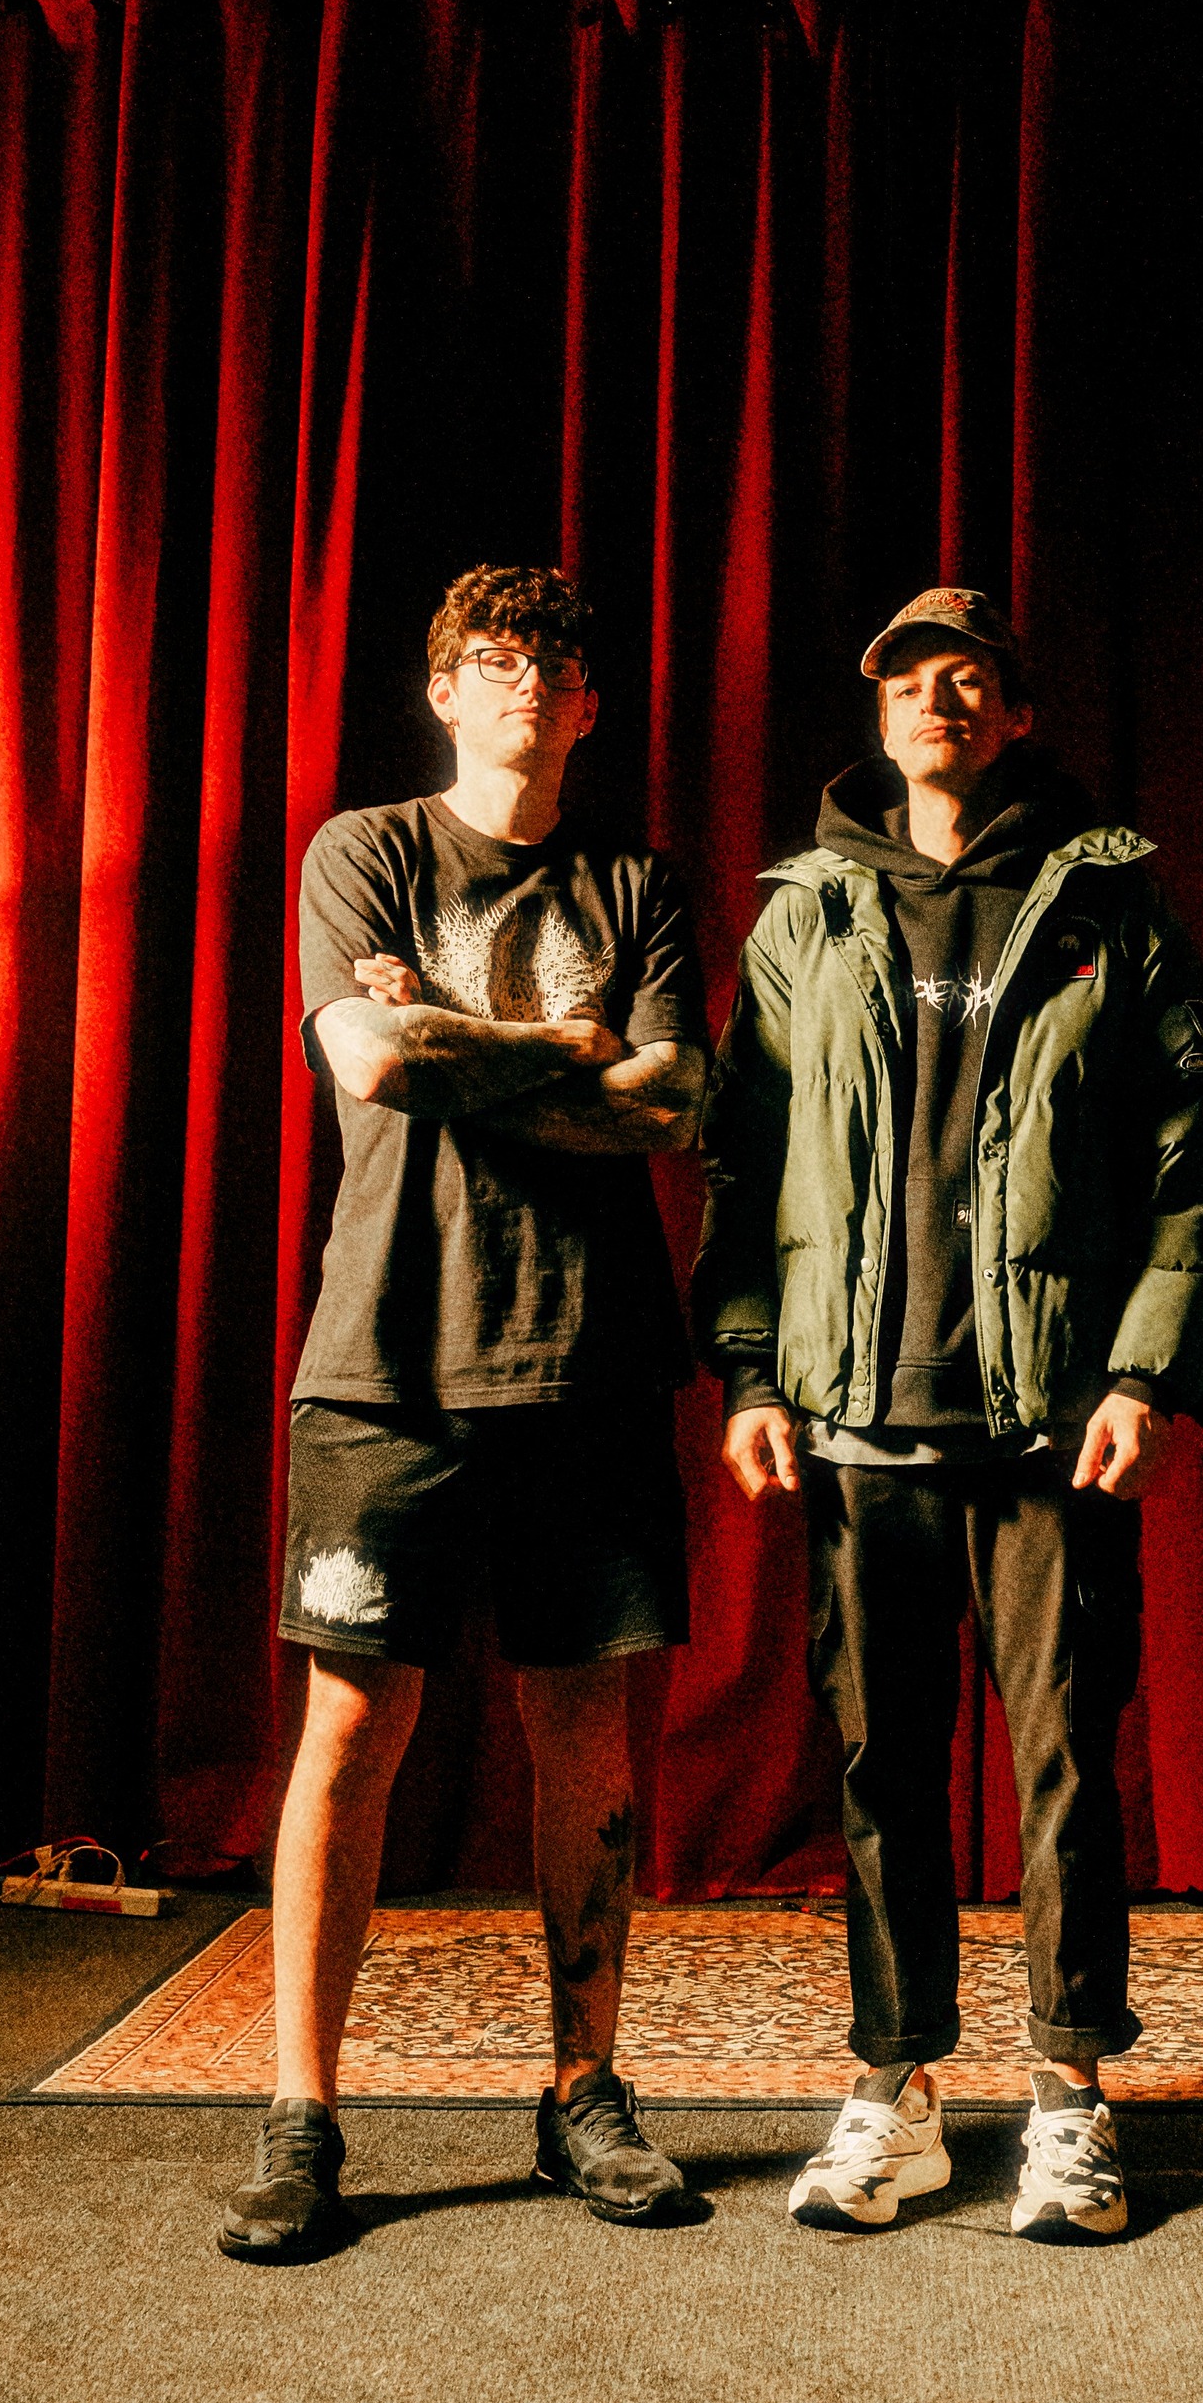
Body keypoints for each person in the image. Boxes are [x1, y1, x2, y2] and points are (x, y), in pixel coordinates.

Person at [692, 587, 1203, 2244]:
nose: (942, 699)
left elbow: (1190, 1158)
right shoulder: (807, 913)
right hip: (859, 1422)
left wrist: (1141, 1371)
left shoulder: (1107, 903)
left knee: (1065, 1765)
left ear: (1016, 714)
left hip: (1051, 1421)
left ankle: (1071, 2095)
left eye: (972, 677)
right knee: (881, 1767)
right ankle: (896, 2091)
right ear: (879, 719)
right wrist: (752, 1369)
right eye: (913, 680)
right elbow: (744, 1157)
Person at [218, 563, 709, 2263]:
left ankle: (586, 2092)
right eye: (492, 662)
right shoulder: (363, 851)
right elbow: (368, 1063)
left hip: (588, 1363)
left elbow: (672, 1103)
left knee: (585, 1735)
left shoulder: (636, 884)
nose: (523, 688)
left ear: (591, 708)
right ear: (443, 691)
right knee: (351, 1731)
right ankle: (303, 2115)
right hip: (387, 1361)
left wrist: (453, 1037)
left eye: (553, 668)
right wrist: (568, 1048)